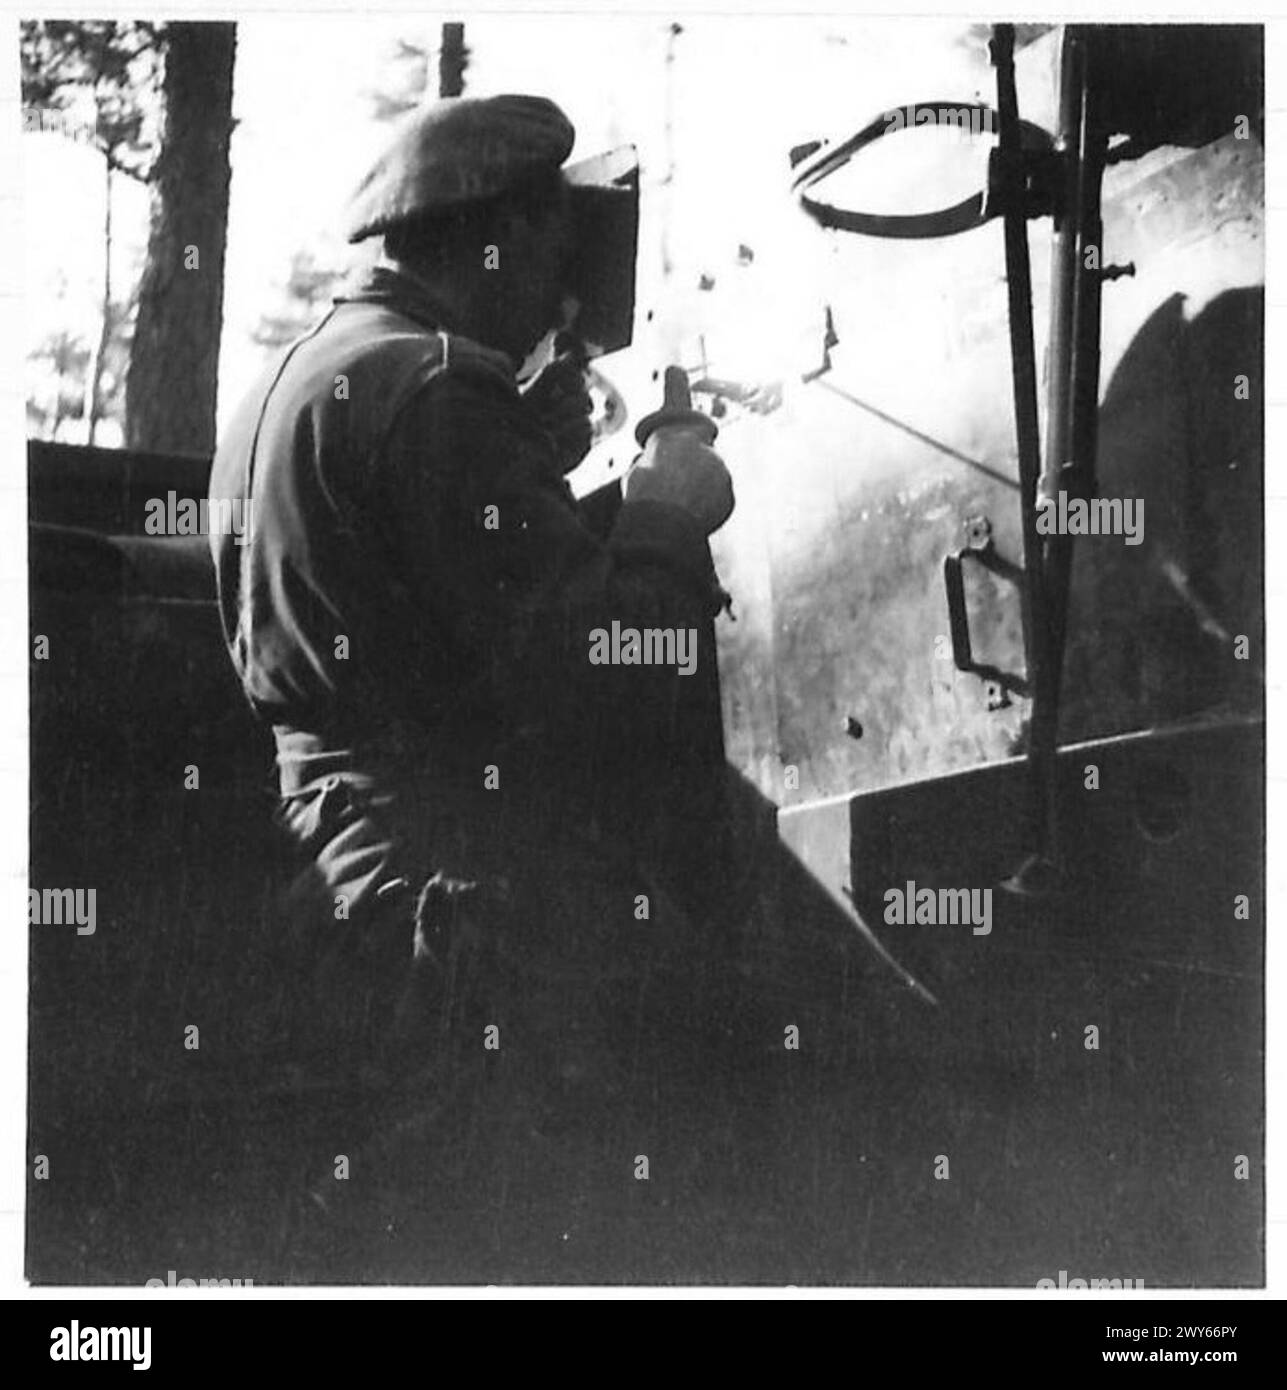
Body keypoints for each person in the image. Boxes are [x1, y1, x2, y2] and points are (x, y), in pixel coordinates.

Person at [208, 95, 735, 1087]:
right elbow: (603, 674)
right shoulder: (435, 390)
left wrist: (524, 450)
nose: (557, 307)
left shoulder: (295, 382)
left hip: (340, 887)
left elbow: (407, 593)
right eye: (551, 258)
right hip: (469, 925)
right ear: (502, 235)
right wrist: (667, 515)